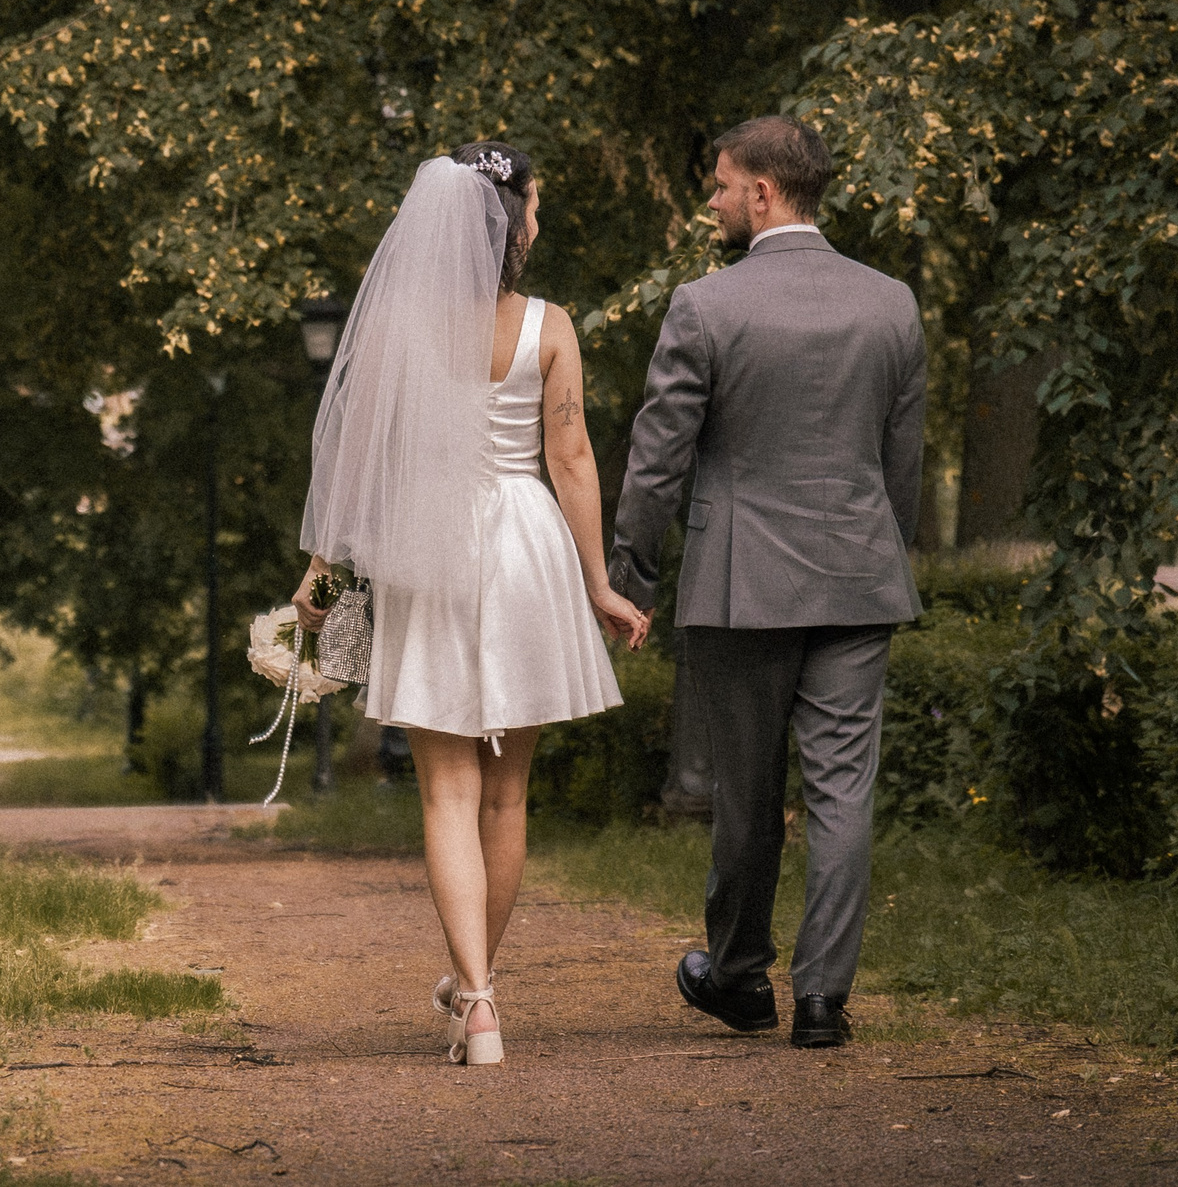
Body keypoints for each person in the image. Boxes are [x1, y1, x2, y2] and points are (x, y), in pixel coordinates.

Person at [294, 144, 649, 1066]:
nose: (539, 221)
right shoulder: (550, 324)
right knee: (508, 794)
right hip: (526, 544)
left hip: (429, 549)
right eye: (534, 206)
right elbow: (569, 458)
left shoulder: (400, 329)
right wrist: (598, 584)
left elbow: (356, 466)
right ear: (511, 223)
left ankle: (478, 1002)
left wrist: (321, 582)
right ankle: (477, 988)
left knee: (447, 790)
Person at [609, 115, 925, 1049]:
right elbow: (900, 463)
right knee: (842, 793)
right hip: (859, 579)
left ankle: (742, 979)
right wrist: (879, 555)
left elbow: (656, 460)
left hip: (742, 583)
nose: (710, 200)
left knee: (746, 796)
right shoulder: (892, 304)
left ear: (764, 192)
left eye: (718, 185)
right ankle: (825, 997)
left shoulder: (706, 306)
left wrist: (635, 568)